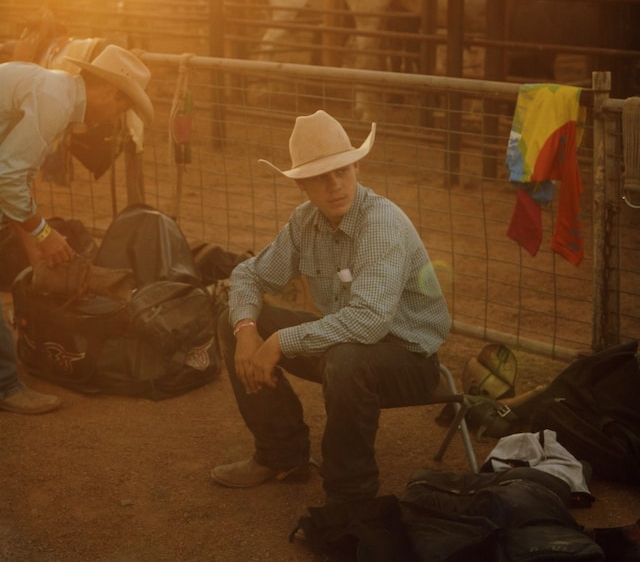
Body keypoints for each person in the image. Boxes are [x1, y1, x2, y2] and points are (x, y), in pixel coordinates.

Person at [211, 110, 451, 503]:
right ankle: (280, 454)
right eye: (320, 176)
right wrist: (247, 331)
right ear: (301, 184)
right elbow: (248, 275)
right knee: (231, 321)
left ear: (356, 166)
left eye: (342, 170)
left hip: (409, 359)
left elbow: (369, 322)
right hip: (343, 346)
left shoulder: (380, 223)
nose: (335, 184)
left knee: (346, 359)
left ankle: (349, 495)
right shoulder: (304, 222)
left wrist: (280, 342)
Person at [0, 44, 154, 415]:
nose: (116, 117)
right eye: (121, 107)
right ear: (108, 92)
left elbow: (13, 177)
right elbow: (7, 179)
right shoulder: (54, 101)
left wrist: (35, 250)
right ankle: (5, 386)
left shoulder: (55, 90)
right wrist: (43, 234)